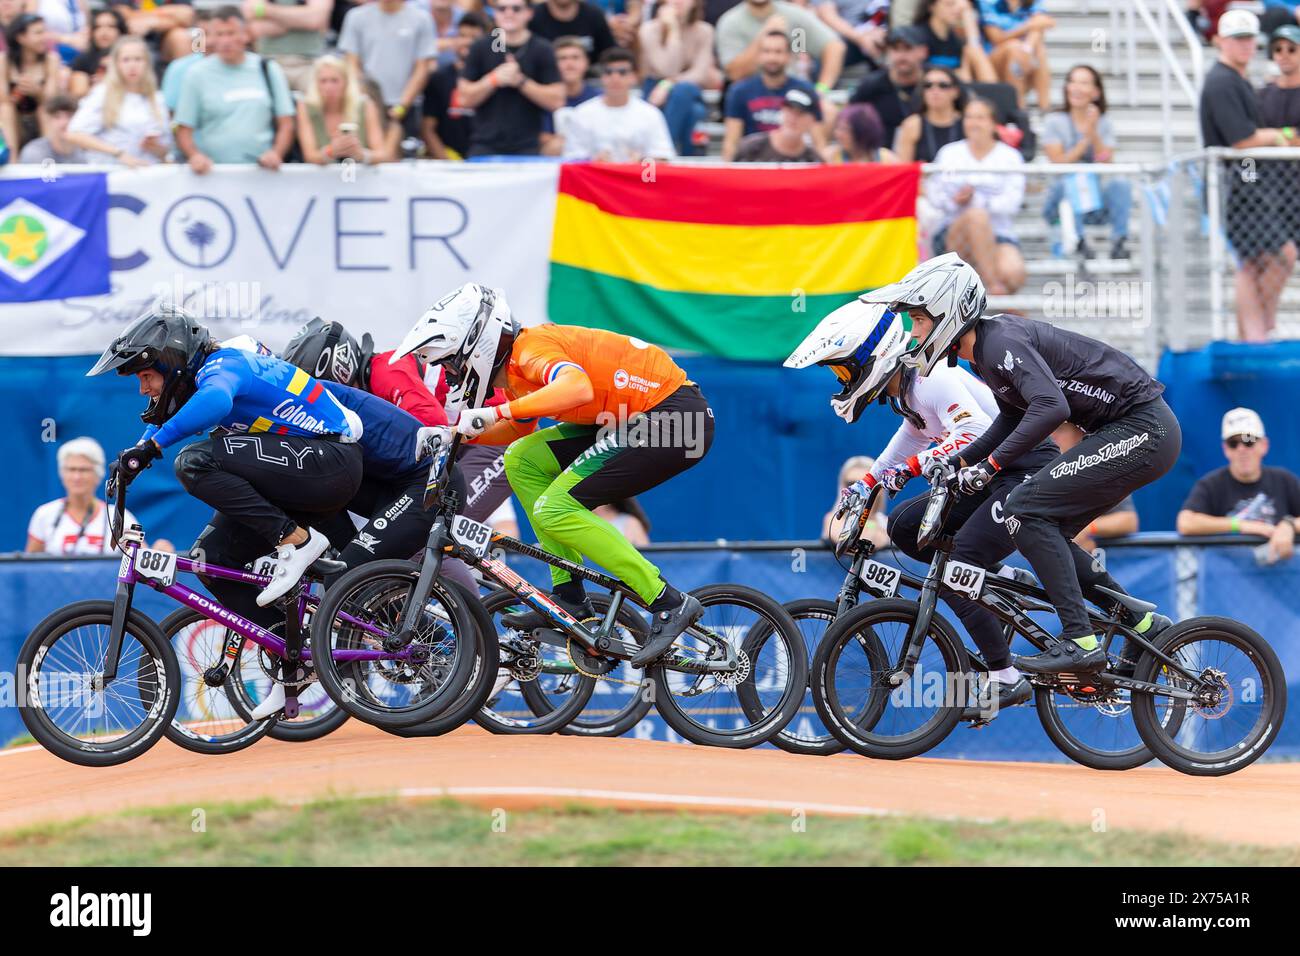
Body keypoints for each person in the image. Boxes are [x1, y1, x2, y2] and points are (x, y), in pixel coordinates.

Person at [864, 252, 1180, 677]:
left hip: (1143, 429)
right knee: (1043, 529)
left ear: (948, 313)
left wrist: (990, 466)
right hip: (1129, 431)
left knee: (1023, 509)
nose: (913, 332)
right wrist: (960, 461)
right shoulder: (986, 353)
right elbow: (1010, 419)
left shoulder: (1000, 344)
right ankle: (1144, 623)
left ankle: (1082, 642)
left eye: (919, 321)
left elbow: (1051, 407)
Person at [390, 283, 715, 668]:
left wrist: (496, 413)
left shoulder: (531, 349)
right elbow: (518, 430)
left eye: (452, 363)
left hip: (677, 419)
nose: (451, 374)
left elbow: (574, 387)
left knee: (555, 508)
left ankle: (667, 601)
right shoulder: (515, 371)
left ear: (476, 346)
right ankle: (569, 594)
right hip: (635, 417)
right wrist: (453, 432)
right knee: (522, 459)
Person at [789, 298, 1063, 715]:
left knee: (955, 571)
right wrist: (867, 482)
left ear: (874, 356)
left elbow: (973, 430)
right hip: (988, 476)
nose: (842, 380)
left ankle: (1006, 676)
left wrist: (913, 467)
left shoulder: (932, 376)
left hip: (1021, 469)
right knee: (902, 526)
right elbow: (912, 439)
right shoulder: (908, 392)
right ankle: (999, 579)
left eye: (844, 370)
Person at [86, 305, 365, 615]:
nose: (142, 389)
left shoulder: (224, 363)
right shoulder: (202, 378)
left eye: (147, 376)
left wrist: (151, 448)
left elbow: (216, 401)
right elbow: (163, 417)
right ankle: (293, 654)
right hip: (304, 474)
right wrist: (135, 453)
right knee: (210, 561)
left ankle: (295, 540)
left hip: (332, 462)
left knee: (193, 461)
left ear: (172, 362)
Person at [1201, 9, 1298, 343]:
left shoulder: (1236, 80)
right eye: (1237, 39)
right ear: (1220, 41)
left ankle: (1254, 334)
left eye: (1249, 38)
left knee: (1258, 263)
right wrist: (1281, 134)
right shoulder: (1222, 82)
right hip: (1235, 188)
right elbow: (1242, 139)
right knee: (1275, 257)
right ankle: (1258, 331)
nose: (1245, 45)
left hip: (1248, 185)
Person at [173, 7, 294, 171]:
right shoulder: (196, 73)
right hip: (214, 173)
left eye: (231, 33)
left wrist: (276, 153)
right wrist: (195, 155)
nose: (225, 41)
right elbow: (184, 128)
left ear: (246, 34)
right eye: (219, 34)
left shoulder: (268, 69)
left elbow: (286, 121)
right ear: (211, 38)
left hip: (262, 172)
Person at [1177, 407, 1300, 564]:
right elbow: (1186, 522)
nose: (1241, 449)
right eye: (1233, 443)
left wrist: (1289, 525)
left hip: (1278, 580)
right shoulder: (1212, 484)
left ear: (1264, 445)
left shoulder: (1284, 480)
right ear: (1226, 449)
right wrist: (1241, 525)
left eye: (1249, 440)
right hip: (1230, 580)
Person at [929, 96, 1026, 295]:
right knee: (976, 216)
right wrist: (955, 201)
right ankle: (993, 288)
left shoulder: (1010, 157)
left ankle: (984, 290)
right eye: (969, 117)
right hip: (954, 233)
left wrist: (977, 199)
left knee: (1014, 273)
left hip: (998, 233)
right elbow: (935, 196)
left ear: (993, 123)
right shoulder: (949, 153)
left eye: (980, 118)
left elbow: (1012, 204)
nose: (973, 123)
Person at [1039, 64, 1131, 261]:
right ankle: (1078, 242)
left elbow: (1106, 161)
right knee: (1071, 180)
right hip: (1063, 199)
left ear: (1096, 92)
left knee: (1120, 184)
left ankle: (1119, 240)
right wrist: (1084, 140)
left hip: (1093, 201)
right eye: (1072, 82)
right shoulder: (1054, 121)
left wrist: (1093, 132)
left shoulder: (1104, 122)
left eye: (1084, 83)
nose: (1076, 88)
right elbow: (1058, 164)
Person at [26, 437, 173, 555]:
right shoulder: (44, 515)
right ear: (62, 473)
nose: (77, 476)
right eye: (71, 469)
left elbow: (141, 558)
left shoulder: (120, 517)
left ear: (98, 474)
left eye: (84, 470)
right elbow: (31, 570)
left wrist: (158, 552)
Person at [457, 0, 563, 157]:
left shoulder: (543, 48)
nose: (509, 13)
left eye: (516, 8)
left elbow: (557, 100)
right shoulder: (480, 47)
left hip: (529, 145)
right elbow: (464, 98)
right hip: (484, 144)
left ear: (529, 13)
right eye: (502, 8)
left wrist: (521, 82)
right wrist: (493, 79)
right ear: (494, 13)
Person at [66, 36, 172, 166]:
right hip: (112, 174)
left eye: (138, 59)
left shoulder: (157, 98)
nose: (132, 66)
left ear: (147, 63)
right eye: (126, 60)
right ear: (116, 64)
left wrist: (156, 148)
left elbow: (166, 150)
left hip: (148, 173)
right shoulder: (103, 94)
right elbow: (74, 133)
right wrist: (118, 153)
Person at [563, 47, 676, 161]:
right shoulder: (582, 113)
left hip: (637, 178)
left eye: (622, 72)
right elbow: (571, 160)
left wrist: (641, 162)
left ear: (634, 77)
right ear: (602, 77)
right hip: (595, 177)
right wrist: (593, 162)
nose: (615, 78)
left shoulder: (650, 114)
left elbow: (663, 159)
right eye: (609, 72)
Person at [638, 0, 720, 156]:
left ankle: (662, 152)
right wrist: (673, 30)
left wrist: (669, 83)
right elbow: (667, 69)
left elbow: (700, 74)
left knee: (684, 89)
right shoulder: (648, 30)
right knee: (696, 112)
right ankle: (687, 162)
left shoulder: (705, 30)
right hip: (655, 92)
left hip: (686, 89)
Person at [721, 29, 819, 160]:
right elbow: (731, 142)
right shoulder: (740, 91)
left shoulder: (804, 89)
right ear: (758, 55)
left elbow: (818, 140)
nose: (772, 57)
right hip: (753, 160)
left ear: (789, 56)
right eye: (767, 51)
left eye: (778, 52)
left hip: (793, 160)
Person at [338, 0, 435, 131]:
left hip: (406, 107)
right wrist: (367, 101)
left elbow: (422, 68)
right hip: (366, 104)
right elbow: (351, 63)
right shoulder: (356, 16)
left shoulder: (422, 19)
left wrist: (402, 106)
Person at [716, 0, 845, 89]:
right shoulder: (730, 22)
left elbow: (835, 46)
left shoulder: (794, 15)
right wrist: (764, 34)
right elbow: (734, 73)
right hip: (750, 96)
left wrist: (822, 89)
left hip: (793, 91)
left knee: (827, 111)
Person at [1052, 422, 1138, 552]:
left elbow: (1128, 520)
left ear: (1079, 434)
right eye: (1048, 430)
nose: (1052, 436)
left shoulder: (1101, 471)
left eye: (1060, 430)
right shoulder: (1030, 469)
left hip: (1087, 560)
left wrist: (1087, 528)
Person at [296, 53, 386, 164]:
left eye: (334, 80)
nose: (329, 87)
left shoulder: (365, 105)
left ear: (346, 82)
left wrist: (361, 154)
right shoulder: (306, 106)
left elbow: (381, 154)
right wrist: (331, 151)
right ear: (316, 84)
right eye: (323, 81)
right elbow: (310, 156)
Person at [421, 11, 488, 160]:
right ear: (454, 40)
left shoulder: (491, 78)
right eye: (462, 36)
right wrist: (447, 161)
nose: (467, 42)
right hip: (447, 162)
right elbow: (427, 128)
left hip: (485, 159)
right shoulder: (438, 78)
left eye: (474, 38)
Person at [847, 25, 927, 146]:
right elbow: (849, 118)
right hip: (882, 158)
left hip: (927, 156)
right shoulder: (871, 85)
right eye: (895, 49)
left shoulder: (935, 83)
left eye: (908, 49)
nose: (901, 56)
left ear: (923, 51)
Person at [1, 14, 66, 153]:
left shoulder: (51, 60)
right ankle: (12, 161)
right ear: (21, 38)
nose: (45, 37)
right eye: (38, 33)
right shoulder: (4, 61)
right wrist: (16, 93)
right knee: (6, 109)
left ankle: (48, 158)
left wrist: (37, 92)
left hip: (42, 121)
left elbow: (52, 101)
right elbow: (3, 100)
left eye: (45, 31)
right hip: (14, 122)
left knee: (44, 109)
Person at [978, 0, 1054, 110]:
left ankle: (1045, 109)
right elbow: (996, 38)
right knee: (1014, 48)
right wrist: (1027, 26)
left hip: (1021, 61)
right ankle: (1018, 111)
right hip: (993, 63)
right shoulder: (989, 2)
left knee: (1039, 49)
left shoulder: (1033, 2)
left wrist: (1027, 48)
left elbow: (1044, 22)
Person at [245, 0, 331, 93]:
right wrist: (300, 19)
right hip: (269, 63)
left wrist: (267, 9)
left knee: (324, 93)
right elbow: (255, 27)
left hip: (309, 63)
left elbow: (315, 19)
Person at [539, 35, 602, 155]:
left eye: (575, 57)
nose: (569, 63)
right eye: (562, 58)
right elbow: (540, 138)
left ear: (586, 62)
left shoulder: (600, 98)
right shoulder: (542, 98)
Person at [893, 63, 964, 163]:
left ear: (955, 91)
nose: (935, 90)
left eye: (943, 86)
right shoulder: (912, 124)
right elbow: (903, 167)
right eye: (928, 85)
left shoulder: (968, 122)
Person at [734, 86, 822, 161]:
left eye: (800, 113)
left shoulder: (813, 160)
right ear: (782, 110)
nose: (793, 118)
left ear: (812, 120)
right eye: (789, 110)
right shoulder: (751, 148)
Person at [914, 0, 994, 82]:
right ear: (932, 6)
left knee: (972, 51)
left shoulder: (957, 41)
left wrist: (970, 26)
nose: (957, 10)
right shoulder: (916, 36)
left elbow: (965, 78)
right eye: (950, 4)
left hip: (952, 90)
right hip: (927, 89)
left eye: (959, 7)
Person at [821, 455, 889, 547]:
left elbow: (876, 540)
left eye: (865, 484)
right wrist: (871, 525)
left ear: (879, 489)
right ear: (842, 487)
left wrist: (871, 523)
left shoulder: (886, 523)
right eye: (850, 483)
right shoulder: (832, 519)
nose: (857, 490)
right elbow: (849, 542)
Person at [529, 0, 615, 62]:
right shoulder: (532, 16)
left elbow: (610, 53)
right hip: (544, 80)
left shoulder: (594, 15)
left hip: (589, 78)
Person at [112, 0, 194, 64]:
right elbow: (121, 14)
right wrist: (171, 13)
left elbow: (187, 15)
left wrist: (154, 22)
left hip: (165, 39)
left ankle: (185, 82)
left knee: (180, 37)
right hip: (129, 35)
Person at [69, 7, 126, 98]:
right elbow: (78, 94)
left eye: (110, 26)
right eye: (98, 27)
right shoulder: (83, 60)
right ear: (92, 32)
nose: (104, 32)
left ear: (121, 31)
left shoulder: (130, 58)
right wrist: (98, 87)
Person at [816, 0, 889, 70]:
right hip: (848, 37)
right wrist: (861, 38)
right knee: (826, 58)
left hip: (883, 31)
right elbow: (827, 14)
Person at [159, 7, 207, 112]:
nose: (211, 41)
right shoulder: (179, 67)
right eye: (207, 34)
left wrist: (154, 20)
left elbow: (186, 14)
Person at [17, 93, 86, 162]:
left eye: (69, 116)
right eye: (57, 117)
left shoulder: (85, 153)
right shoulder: (34, 152)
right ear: (48, 120)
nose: (64, 122)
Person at [822, 101, 894, 162]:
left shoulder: (887, 159)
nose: (837, 134)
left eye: (844, 129)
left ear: (862, 132)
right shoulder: (830, 157)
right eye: (838, 128)